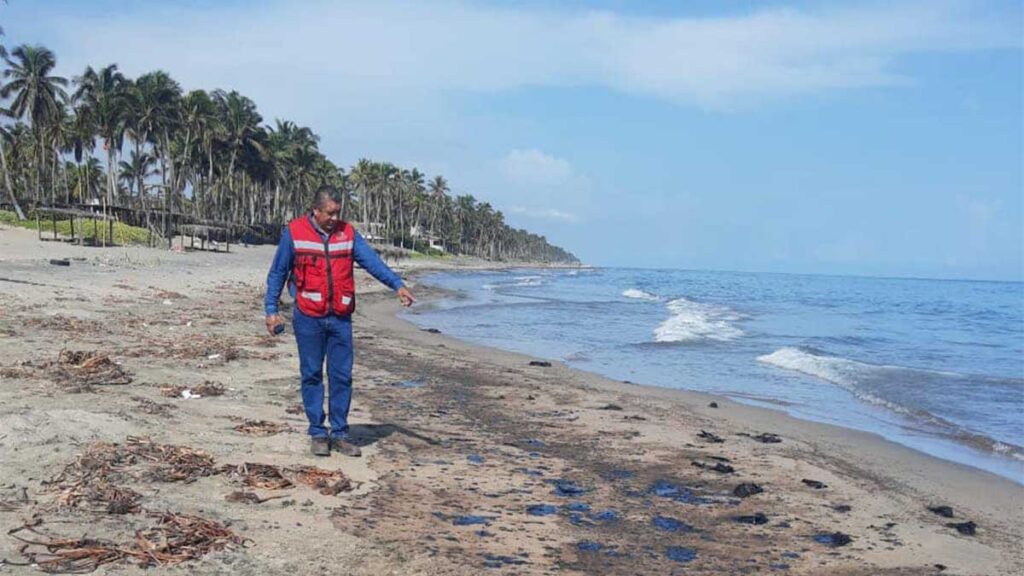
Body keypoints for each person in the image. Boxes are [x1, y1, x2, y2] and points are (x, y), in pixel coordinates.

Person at [265, 186, 415, 457]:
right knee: (311, 374)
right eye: (329, 213)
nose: (335, 218)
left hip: (340, 318)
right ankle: (317, 432)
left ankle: (341, 433)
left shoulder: (348, 234)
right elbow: (278, 272)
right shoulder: (295, 233)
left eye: (338, 212)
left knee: (342, 376)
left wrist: (397, 284)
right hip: (308, 316)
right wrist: (271, 310)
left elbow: (372, 262)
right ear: (316, 210)